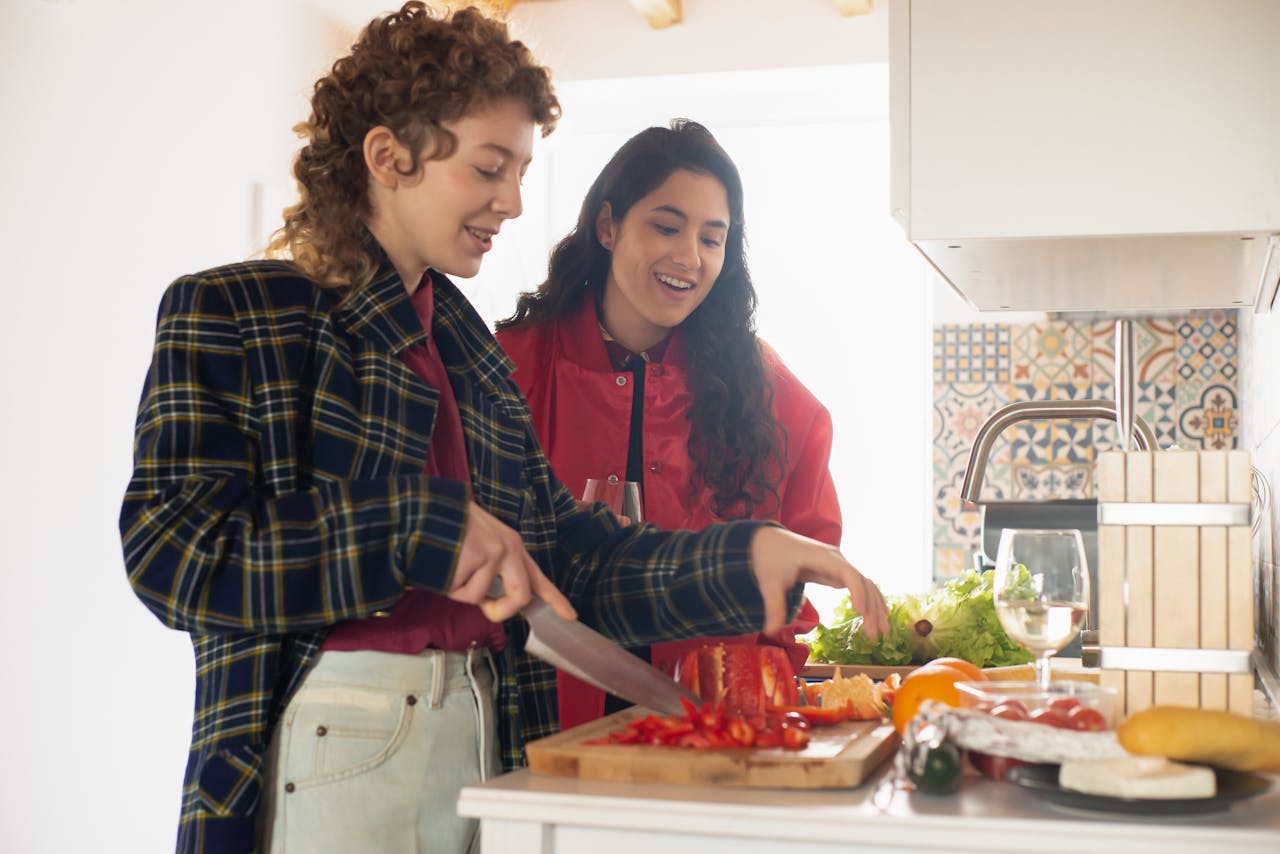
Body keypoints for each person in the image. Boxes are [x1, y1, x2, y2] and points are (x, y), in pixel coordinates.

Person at [120, 5, 888, 853]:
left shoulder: (466, 348)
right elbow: (175, 552)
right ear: (387, 158)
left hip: (490, 731)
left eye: (521, 171)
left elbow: (570, 557)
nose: (514, 203)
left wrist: (744, 555)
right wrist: (418, 529)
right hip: (337, 741)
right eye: (491, 168)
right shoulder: (236, 308)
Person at [495, 120, 844, 729]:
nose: (689, 257)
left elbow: (802, 564)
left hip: (705, 732)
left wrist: (757, 692)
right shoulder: (507, 368)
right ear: (608, 226)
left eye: (714, 239)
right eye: (666, 226)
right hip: (534, 727)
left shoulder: (770, 392)